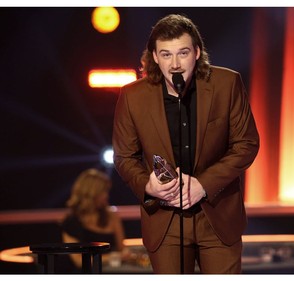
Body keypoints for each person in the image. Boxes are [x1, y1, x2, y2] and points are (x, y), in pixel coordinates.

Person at [112, 14, 260, 273]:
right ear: (155, 57)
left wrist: (203, 185)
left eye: (183, 53)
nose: (175, 64)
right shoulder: (132, 96)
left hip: (217, 215)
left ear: (197, 52)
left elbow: (246, 144)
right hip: (164, 218)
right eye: (166, 55)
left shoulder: (226, 84)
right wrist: (148, 187)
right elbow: (125, 157)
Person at [60, 168, 137, 270]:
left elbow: (121, 249)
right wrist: (113, 257)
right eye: (103, 192)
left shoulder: (112, 216)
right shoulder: (70, 222)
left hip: (112, 271)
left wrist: (127, 254)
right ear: (91, 193)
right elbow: (78, 261)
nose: (106, 196)